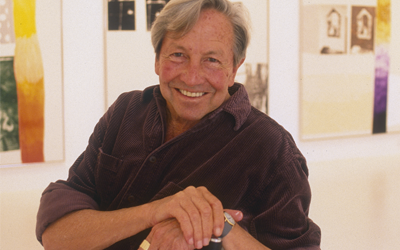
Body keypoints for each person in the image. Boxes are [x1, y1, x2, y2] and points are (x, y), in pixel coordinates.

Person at [36, 0, 321, 249]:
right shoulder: (126, 111)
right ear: (158, 59)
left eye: (211, 60)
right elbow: (58, 236)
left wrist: (221, 228)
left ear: (234, 68)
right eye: (178, 55)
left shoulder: (273, 149)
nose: (192, 76)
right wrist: (158, 211)